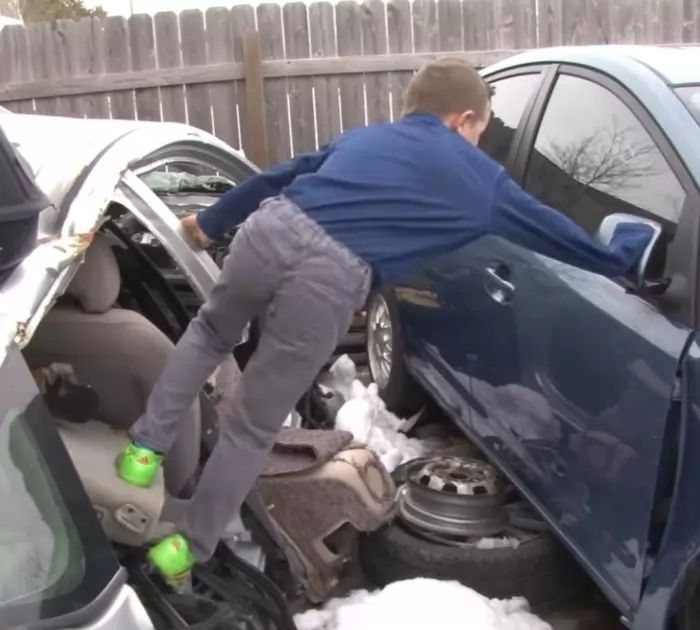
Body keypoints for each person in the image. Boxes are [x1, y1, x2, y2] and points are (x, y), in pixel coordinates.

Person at [116, 57, 653, 589]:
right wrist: (621, 255)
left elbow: (285, 172)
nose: (477, 143)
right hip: (327, 277)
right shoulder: (479, 178)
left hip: (269, 230)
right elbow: (551, 231)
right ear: (463, 119)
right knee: (253, 425)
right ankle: (185, 548)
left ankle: (144, 451)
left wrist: (210, 221)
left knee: (209, 334)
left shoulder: (364, 138)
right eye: (480, 131)